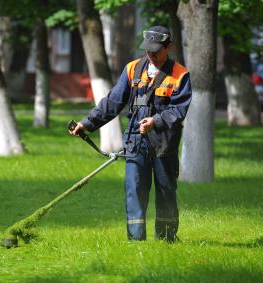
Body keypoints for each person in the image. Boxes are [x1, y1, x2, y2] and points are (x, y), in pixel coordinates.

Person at [69, 26, 192, 242]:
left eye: (156, 51)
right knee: (135, 191)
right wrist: (87, 124)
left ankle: (166, 240)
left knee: (166, 192)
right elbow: (112, 102)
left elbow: (179, 110)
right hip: (135, 142)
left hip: (164, 144)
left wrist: (156, 121)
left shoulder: (180, 75)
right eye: (148, 51)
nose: (151, 55)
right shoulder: (132, 69)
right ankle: (136, 241)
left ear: (169, 47)